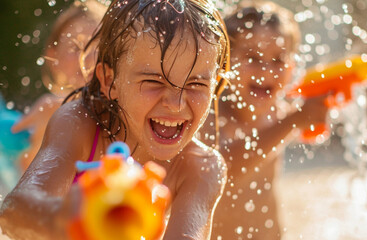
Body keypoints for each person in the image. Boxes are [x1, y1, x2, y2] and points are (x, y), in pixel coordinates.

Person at [0, 0, 230, 239]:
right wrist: (65, 217)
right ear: (109, 81)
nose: (176, 103)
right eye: (154, 81)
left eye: (195, 84)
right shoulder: (79, 124)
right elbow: (13, 212)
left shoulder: (200, 167)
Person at [200, 1, 330, 239]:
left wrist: (319, 113)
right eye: (252, 57)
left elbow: (315, 129)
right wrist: (293, 122)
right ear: (225, 61)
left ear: (291, 68)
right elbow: (219, 172)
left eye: (278, 60)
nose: (266, 71)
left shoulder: (282, 113)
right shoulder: (211, 113)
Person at [11, 0, 106, 170]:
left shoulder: (115, 109)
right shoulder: (45, 111)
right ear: (53, 58)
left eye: (98, 48)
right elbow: (24, 178)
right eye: (76, 47)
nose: (87, 58)